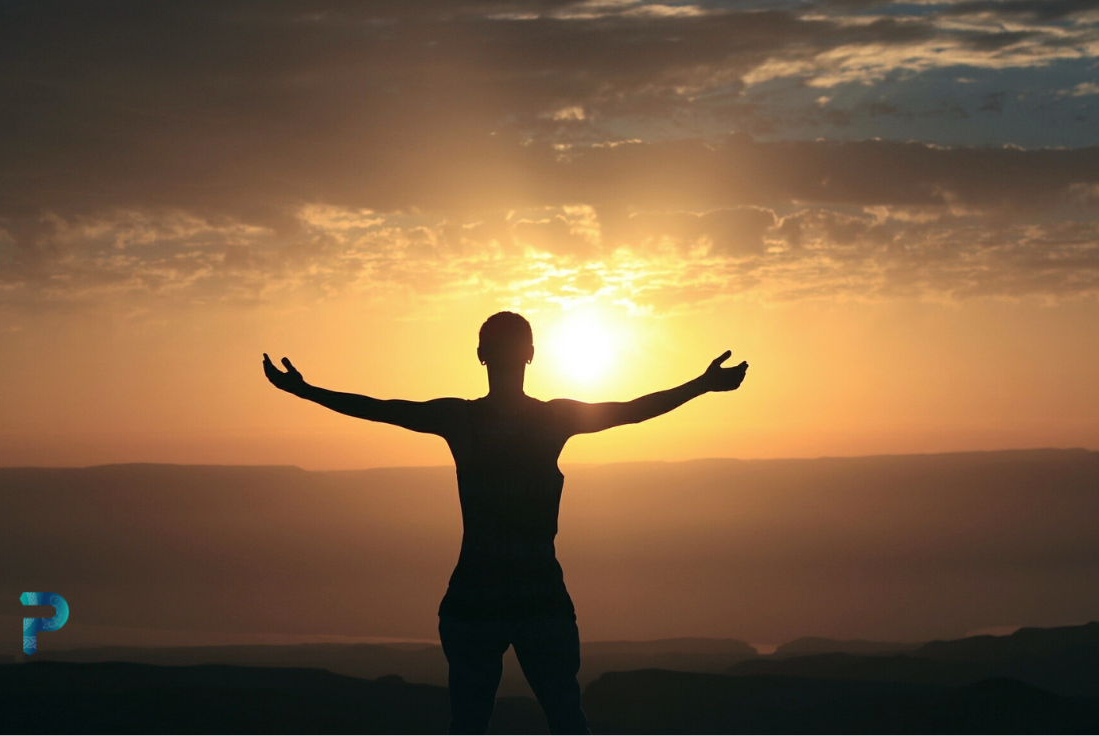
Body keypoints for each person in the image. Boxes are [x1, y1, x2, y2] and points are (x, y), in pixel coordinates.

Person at [263, 311, 748, 734]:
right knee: (565, 720)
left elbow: (379, 410)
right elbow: (632, 412)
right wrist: (701, 385)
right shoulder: (552, 420)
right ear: (531, 355)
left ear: (480, 355)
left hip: (477, 599)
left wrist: (304, 391)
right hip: (536, 598)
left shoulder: (462, 419)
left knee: (473, 725)